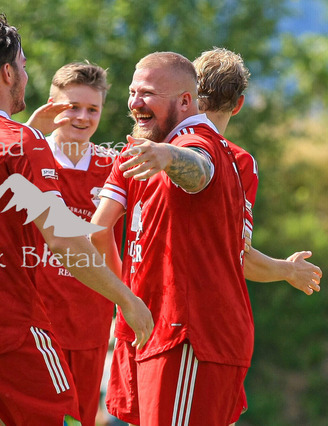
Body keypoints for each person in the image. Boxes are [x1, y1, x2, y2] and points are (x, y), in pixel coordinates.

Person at [0, 14, 153, 425]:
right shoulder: (21, 141)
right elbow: (63, 240)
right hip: (4, 324)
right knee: (67, 418)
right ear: (8, 72)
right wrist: (127, 299)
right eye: (22, 66)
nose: (25, 75)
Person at [90, 51, 251, 425]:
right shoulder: (139, 149)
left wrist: (166, 156)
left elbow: (199, 169)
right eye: (132, 92)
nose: (135, 102)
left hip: (188, 336)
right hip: (147, 328)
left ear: (185, 101)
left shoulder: (197, 141)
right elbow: (97, 231)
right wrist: (125, 298)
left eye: (147, 93)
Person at [193, 47, 322, 425]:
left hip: (140, 318)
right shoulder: (237, 161)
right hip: (205, 332)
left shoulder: (146, 146)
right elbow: (239, 256)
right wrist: (287, 269)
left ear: (187, 95)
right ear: (239, 104)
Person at [25, 61, 124, 426]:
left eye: (92, 109)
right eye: (73, 107)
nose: (82, 117)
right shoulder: (27, 156)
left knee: (81, 420)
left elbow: (118, 244)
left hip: (91, 323)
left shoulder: (113, 166)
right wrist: (28, 131)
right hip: (36, 324)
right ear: (52, 107)